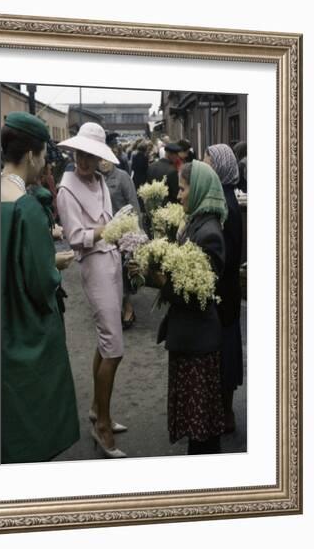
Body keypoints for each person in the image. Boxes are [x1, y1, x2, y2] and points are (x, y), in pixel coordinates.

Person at [0, 112, 79, 464]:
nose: (45, 162)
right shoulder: (27, 208)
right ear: (31, 155)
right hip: (24, 323)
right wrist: (55, 266)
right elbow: (40, 280)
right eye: (44, 155)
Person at [133, 160, 227, 454]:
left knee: (203, 429)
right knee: (197, 422)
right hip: (190, 337)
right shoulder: (195, 222)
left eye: (183, 189)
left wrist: (156, 277)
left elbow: (198, 290)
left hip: (198, 339)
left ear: (198, 189)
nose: (178, 195)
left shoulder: (208, 232)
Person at [57, 122, 127, 458]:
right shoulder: (66, 189)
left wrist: (124, 236)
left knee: (106, 339)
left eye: (91, 154)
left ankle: (99, 411)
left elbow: (111, 223)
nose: (84, 160)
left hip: (112, 260)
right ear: (73, 152)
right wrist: (103, 231)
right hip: (94, 264)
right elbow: (74, 238)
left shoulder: (101, 181)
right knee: (114, 347)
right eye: (80, 153)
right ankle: (102, 423)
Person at [204, 144, 244, 433]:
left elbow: (226, 258)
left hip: (225, 292)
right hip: (224, 291)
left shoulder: (227, 205)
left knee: (226, 350)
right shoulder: (222, 198)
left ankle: (226, 412)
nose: (204, 166)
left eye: (208, 162)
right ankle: (222, 409)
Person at [98, 156, 141, 329]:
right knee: (109, 272)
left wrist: (136, 232)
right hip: (102, 233)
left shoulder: (122, 177)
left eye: (105, 159)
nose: (103, 163)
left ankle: (128, 308)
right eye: (99, 160)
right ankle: (117, 308)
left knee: (123, 270)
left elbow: (134, 204)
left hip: (123, 232)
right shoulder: (97, 178)